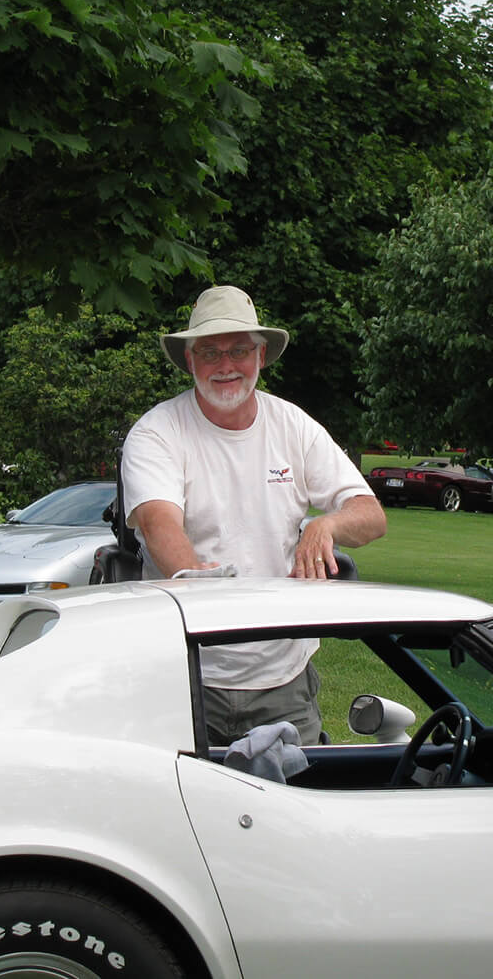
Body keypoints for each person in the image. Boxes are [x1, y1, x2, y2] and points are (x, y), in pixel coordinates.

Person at [120, 285, 387, 746]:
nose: (225, 366)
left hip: (283, 677)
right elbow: (158, 523)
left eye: (239, 350)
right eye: (209, 352)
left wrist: (326, 524)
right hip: (184, 670)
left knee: (292, 807)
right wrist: (195, 582)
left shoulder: (294, 426)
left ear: (261, 356)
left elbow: (370, 516)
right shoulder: (158, 431)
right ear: (190, 361)